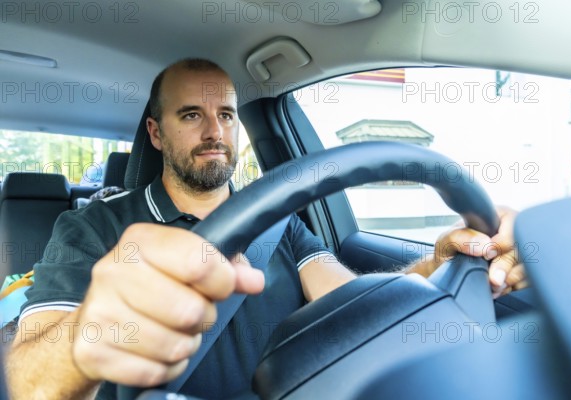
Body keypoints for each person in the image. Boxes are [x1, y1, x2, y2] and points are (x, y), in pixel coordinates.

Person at [5, 59, 525, 399]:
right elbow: (27, 383)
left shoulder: (281, 223)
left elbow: (358, 310)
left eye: (227, 115)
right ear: (156, 133)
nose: (215, 132)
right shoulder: (91, 228)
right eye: (191, 115)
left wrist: (439, 266)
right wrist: (88, 334)